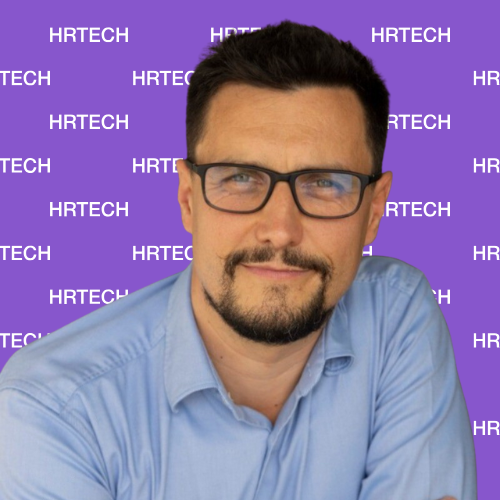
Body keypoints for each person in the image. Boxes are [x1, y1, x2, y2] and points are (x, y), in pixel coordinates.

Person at [0, 20, 476, 500]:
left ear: (373, 212)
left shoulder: (397, 313)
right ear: (189, 199)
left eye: (325, 183)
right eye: (241, 179)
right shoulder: (50, 411)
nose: (280, 229)